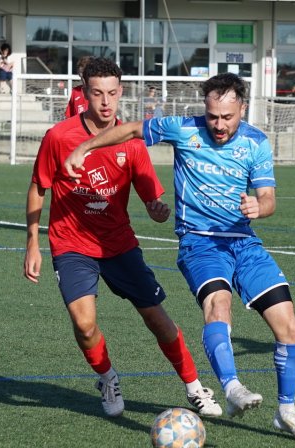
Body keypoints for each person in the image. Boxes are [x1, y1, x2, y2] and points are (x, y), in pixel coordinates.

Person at [63, 72, 295, 441]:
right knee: (218, 305)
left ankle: (286, 411)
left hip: (244, 243)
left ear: (242, 108)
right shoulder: (183, 128)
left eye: (227, 117)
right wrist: (85, 148)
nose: (218, 124)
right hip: (201, 243)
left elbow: (269, 199)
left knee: (289, 325)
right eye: (212, 115)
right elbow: (132, 129)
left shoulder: (257, 143)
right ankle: (231, 388)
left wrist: (258, 208)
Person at [24, 58, 220, 418]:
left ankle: (195, 387)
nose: (105, 102)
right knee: (84, 325)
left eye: (112, 93)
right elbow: (39, 187)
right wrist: (32, 244)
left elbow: (151, 198)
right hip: (71, 245)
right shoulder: (59, 137)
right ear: (84, 93)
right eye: (97, 93)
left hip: (119, 245)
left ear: (121, 93)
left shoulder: (131, 143)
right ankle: (107, 376)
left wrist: (156, 208)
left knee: (157, 319)